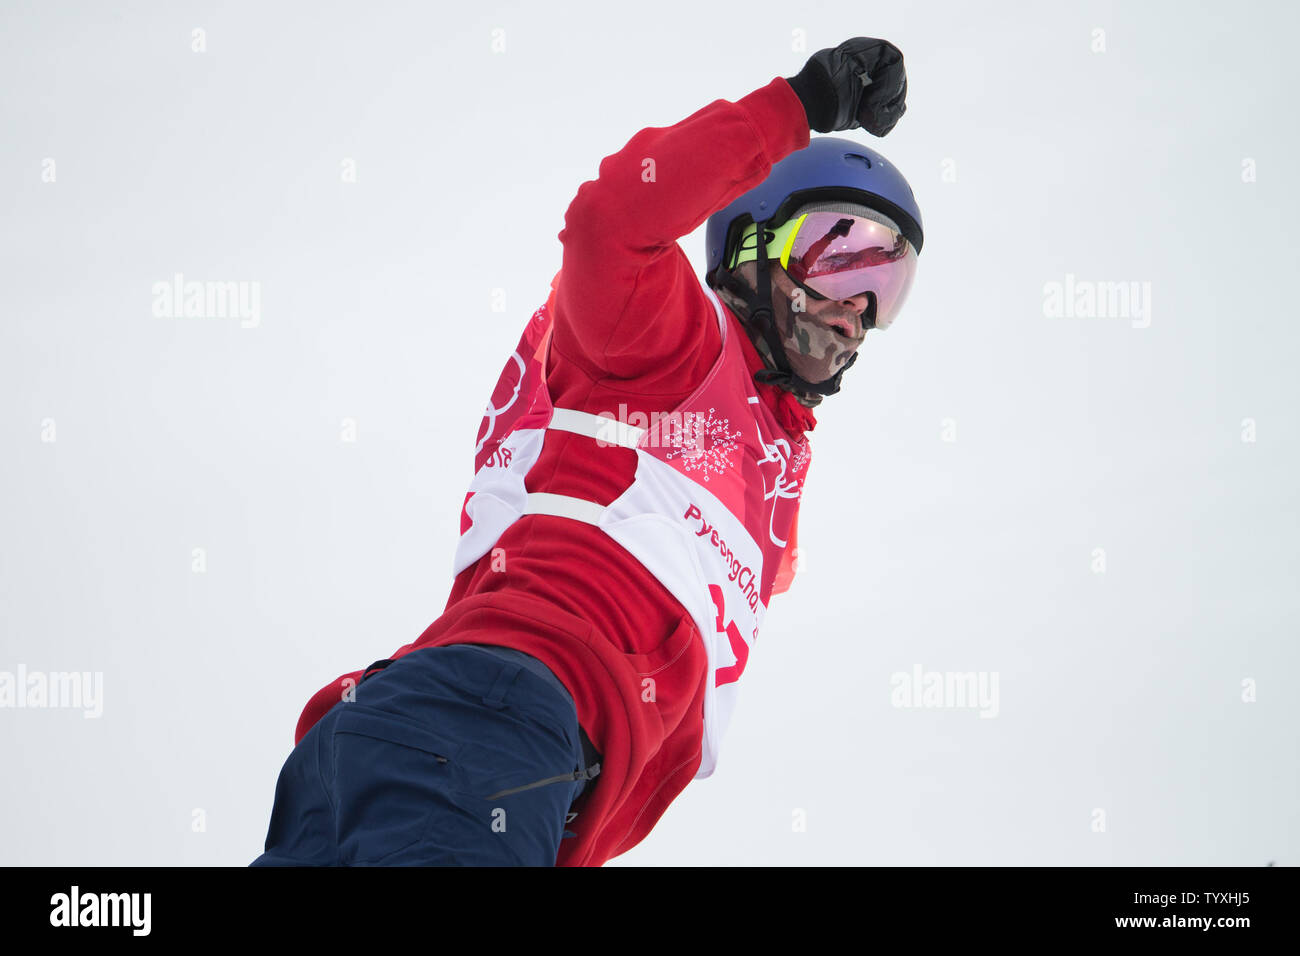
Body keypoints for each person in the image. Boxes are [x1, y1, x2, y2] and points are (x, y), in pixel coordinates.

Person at [251, 35, 923, 867]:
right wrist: (800, 105)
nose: (856, 307)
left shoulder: (765, 466)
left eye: (885, 286)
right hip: (485, 734)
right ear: (749, 247)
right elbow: (611, 221)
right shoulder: (674, 347)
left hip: (453, 753)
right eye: (838, 254)